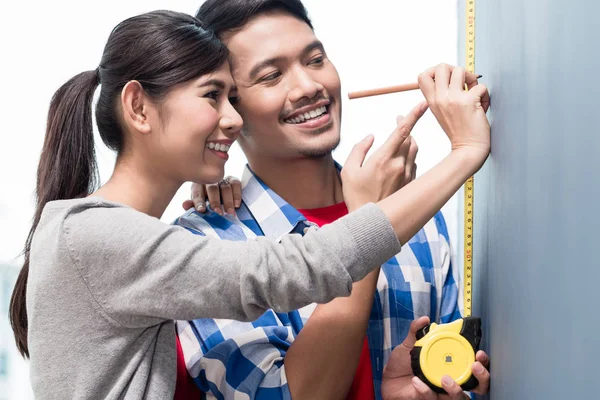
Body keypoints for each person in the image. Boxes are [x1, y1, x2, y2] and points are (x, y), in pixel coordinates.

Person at [7, 10, 487, 399]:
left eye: (316, 59)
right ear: (137, 108)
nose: (231, 119)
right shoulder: (106, 237)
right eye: (215, 96)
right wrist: (463, 153)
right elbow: (291, 270)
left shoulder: (124, 242)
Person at [175, 1, 490, 399]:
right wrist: (368, 225)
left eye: (316, 59)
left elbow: (455, 378)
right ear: (228, 110)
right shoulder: (202, 248)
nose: (308, 86)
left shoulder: (423, 223)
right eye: (272, 76)